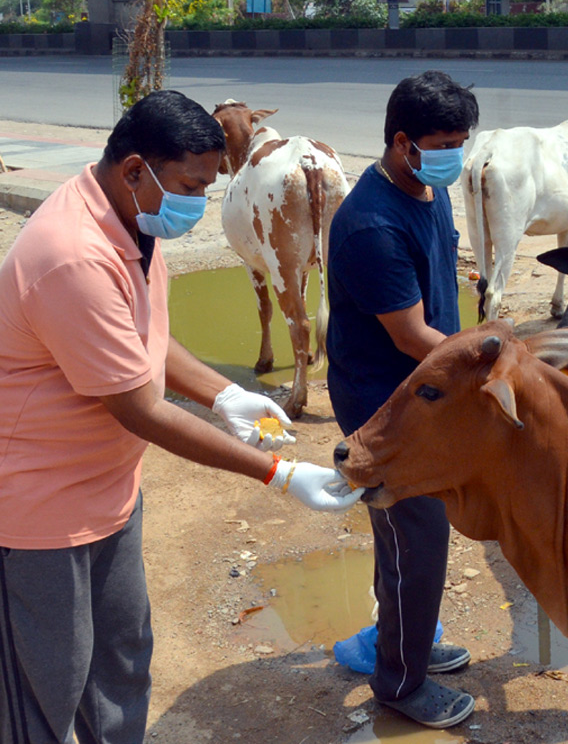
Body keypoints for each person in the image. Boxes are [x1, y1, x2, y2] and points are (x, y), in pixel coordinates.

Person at [0, 90, 361, 744]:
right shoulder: (73, 254)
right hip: (40, 509)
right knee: (48, 684)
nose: (198, 203)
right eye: (192, 185)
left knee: (122, 660)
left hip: (110, 493)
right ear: (136, 169)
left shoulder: (132, 221)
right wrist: (279, 472)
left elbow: (141, 336)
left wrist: (222, 394)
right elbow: (141, 408)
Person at [326, 70, 479, 730]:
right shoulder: (370, 226)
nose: (454, 154)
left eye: (461, 141)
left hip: (425, 395)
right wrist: (492, 367)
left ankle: (406, 646)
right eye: (443, 142)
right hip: (383, 411)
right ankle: (400, 681)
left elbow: (439, 290)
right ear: (402, 143)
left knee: (413, 539)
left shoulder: (427, 189)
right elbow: (414, 335)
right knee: (415, 540)